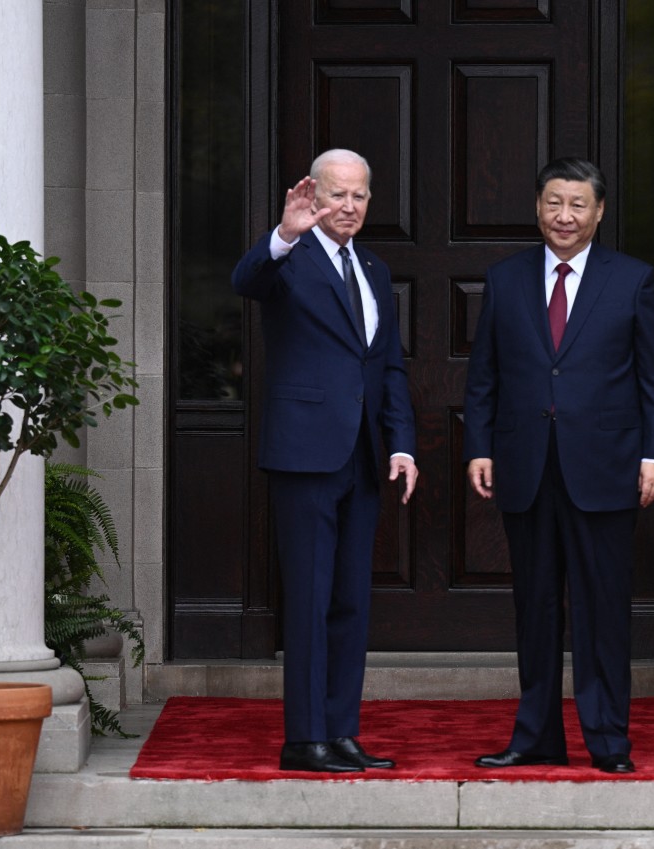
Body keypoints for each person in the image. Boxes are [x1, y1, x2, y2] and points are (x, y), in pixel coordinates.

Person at [463, 157, 654, 774]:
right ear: (536, 207)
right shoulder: (504, 280)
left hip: (606, 468)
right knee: (535, 609)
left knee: (602, 610)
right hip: (525, 467)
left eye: (578, 205)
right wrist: (480, 446)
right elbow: (485, 378)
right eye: (554, 203)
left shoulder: (632, 279)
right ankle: (535, 736)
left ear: (599, 212)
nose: (565, 216)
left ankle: (608, 740)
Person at [231, 149, 418, 773]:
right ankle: (302, 738)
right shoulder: (290, 259)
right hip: (305, 454)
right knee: (309, 599)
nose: (349, 207)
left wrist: (401, 443)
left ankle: (340, 732)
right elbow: (245, 280)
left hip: (363, 457)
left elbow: (387, 365)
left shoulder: (374, 267)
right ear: (314, 196)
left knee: (350, 602)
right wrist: (285, 233)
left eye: (360, 196)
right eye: (337, 195)